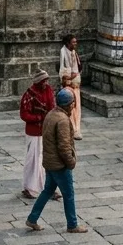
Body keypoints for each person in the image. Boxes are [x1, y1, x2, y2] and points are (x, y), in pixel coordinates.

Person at [25, 87, 85, 233]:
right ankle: (72, 224)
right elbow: (64, 146)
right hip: (59, 165)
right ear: (69, 104)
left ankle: (32, 218)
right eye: (72, 103)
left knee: (47, 191)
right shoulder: (63, 120)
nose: (73, 106)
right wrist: (71, 162)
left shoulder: (51, 114)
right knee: (68, 194)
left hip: (50, 162)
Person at [19, 70, 55, 199]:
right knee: (33, 160)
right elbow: (24, 114)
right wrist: (39, 117)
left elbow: (52, 106)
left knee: (46, 160)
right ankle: (31, 187)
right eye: (44, 80)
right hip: (34, 132)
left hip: (46, 130)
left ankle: (47, 187)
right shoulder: (29, 94)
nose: (46, 83)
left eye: (47, 80)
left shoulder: (48, 90)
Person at [59, 34, 83, 140]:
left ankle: (77, 129)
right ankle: (71, 129)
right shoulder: (63, 52)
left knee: (77, 107)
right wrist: (71, 76)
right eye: (73, 42)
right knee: (70, 108)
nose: (75, 44)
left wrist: (75, 75)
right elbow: (63, 71)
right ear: (68, 43)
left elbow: (78, 68)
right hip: (68, 85)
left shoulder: (74, 53)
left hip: (75, 85)